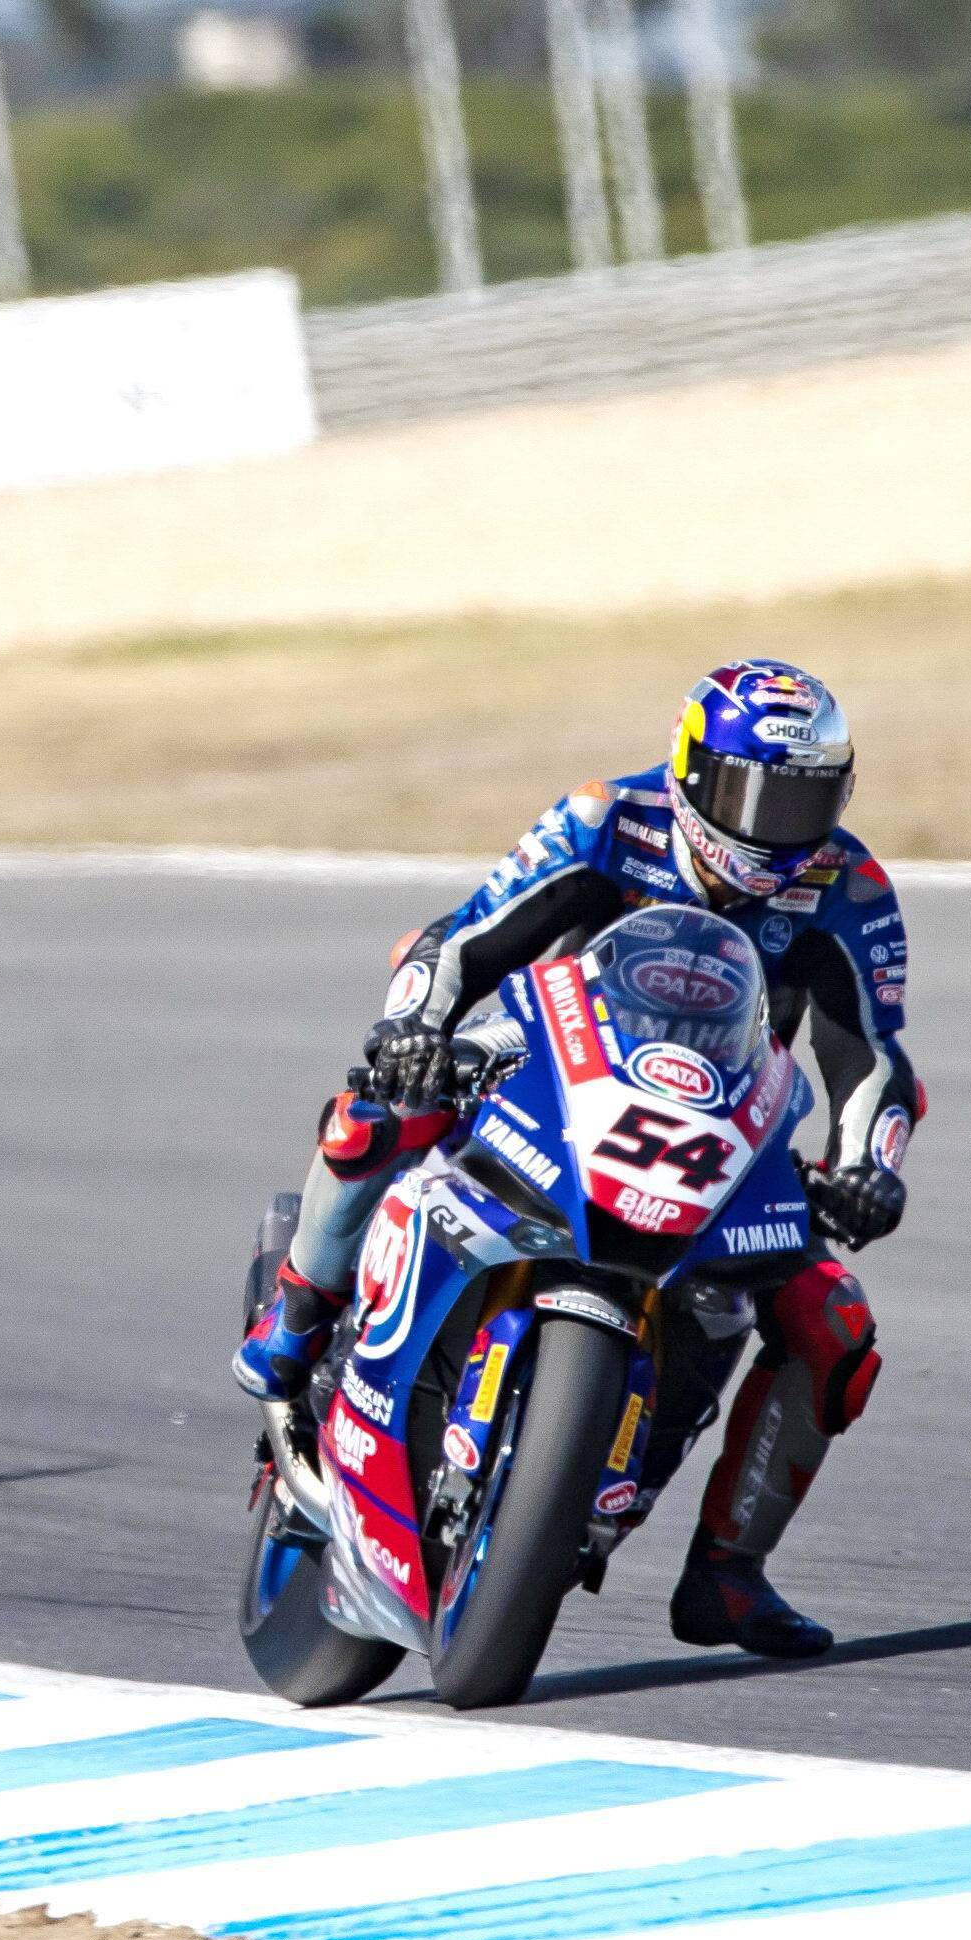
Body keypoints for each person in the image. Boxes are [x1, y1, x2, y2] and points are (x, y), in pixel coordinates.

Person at [234, 659, 919, 1661]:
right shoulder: (608, 818)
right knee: (375, 1114)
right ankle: (296, 1317)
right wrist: (416, 1028)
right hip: (545, 1067)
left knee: (833, 1323)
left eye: (805, 801)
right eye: (754, 797)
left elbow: (874, 1060)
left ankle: (728, 1572)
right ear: (691, 772)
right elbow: (463, 939)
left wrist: (869, 1164)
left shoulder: (848, 886)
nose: (777, 829)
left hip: (720, 1130)